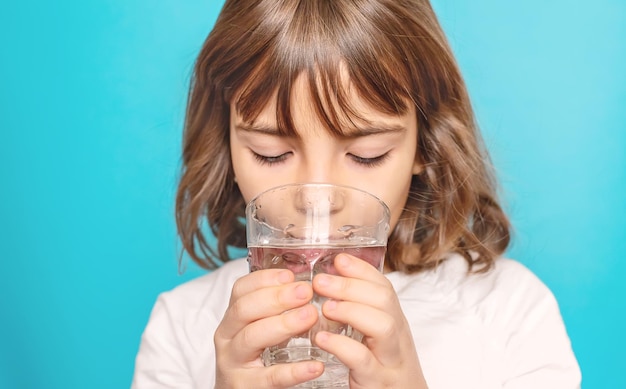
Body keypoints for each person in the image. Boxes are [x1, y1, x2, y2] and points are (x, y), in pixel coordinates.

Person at [132, 0, 581, 387]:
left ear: (426, 144)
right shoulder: (181, 326)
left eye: (367, 155)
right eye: (270, 154)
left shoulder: (511, 313)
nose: (317, 198)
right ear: (226, 145)